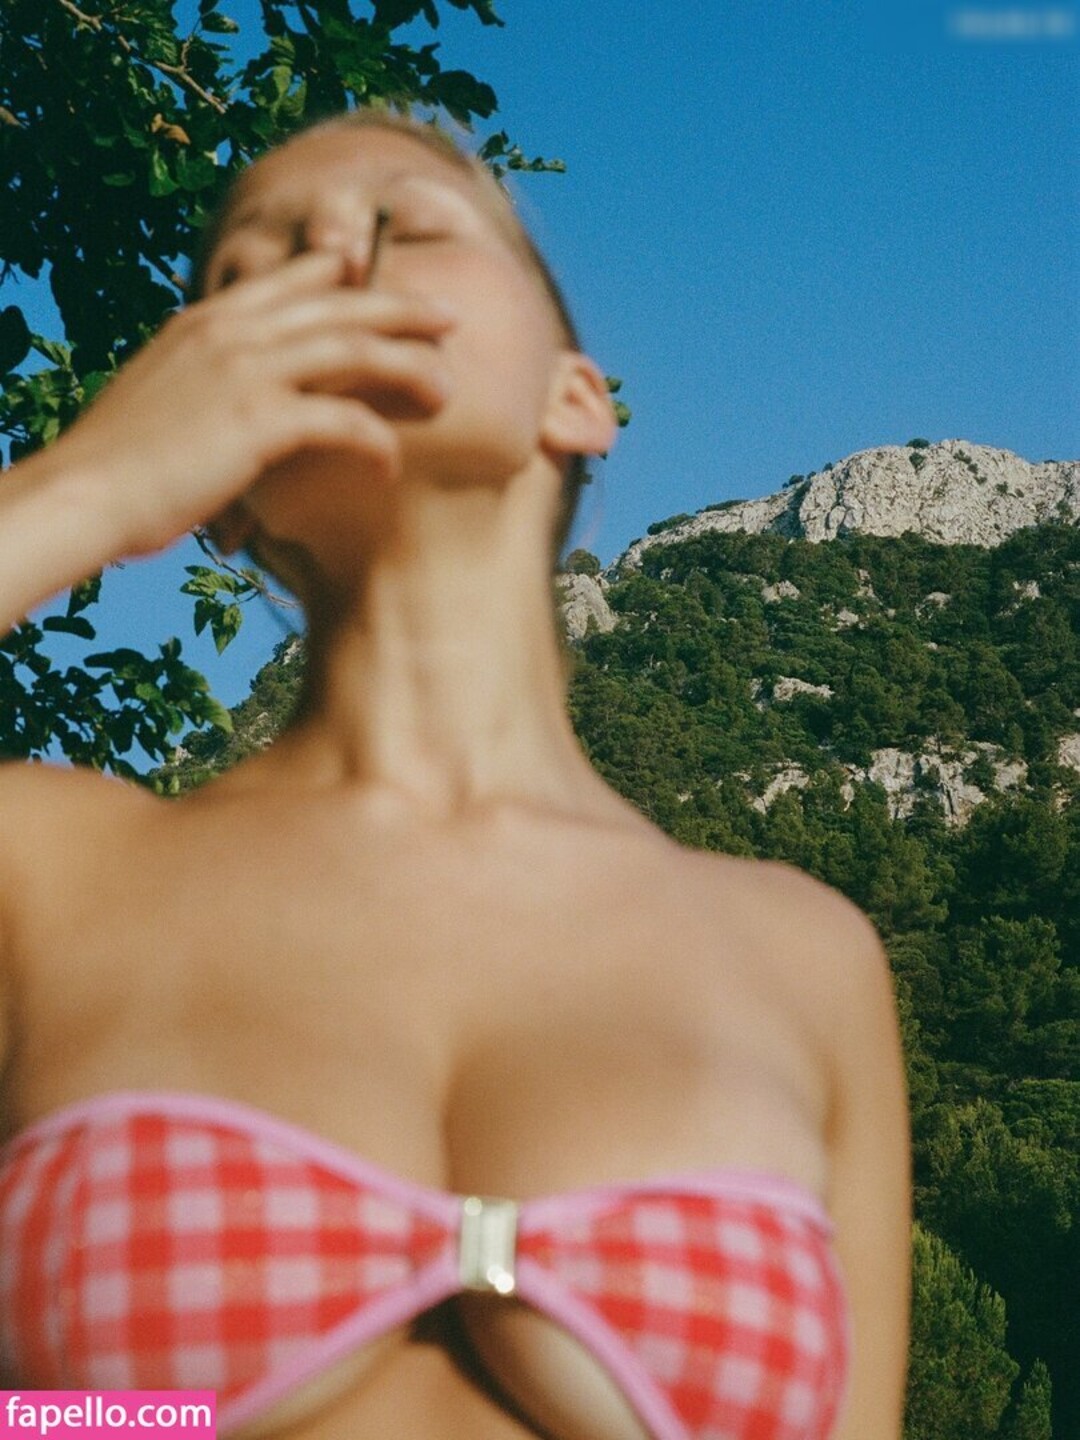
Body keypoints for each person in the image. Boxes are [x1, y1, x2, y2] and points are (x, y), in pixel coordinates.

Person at [0, 111, 911, 1440]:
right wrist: (81, 491)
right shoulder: (49, 869)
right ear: (222, 490)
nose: (334, 257)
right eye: (254, 268)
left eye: (406, 226)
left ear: (575, 398)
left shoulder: (806, 956)